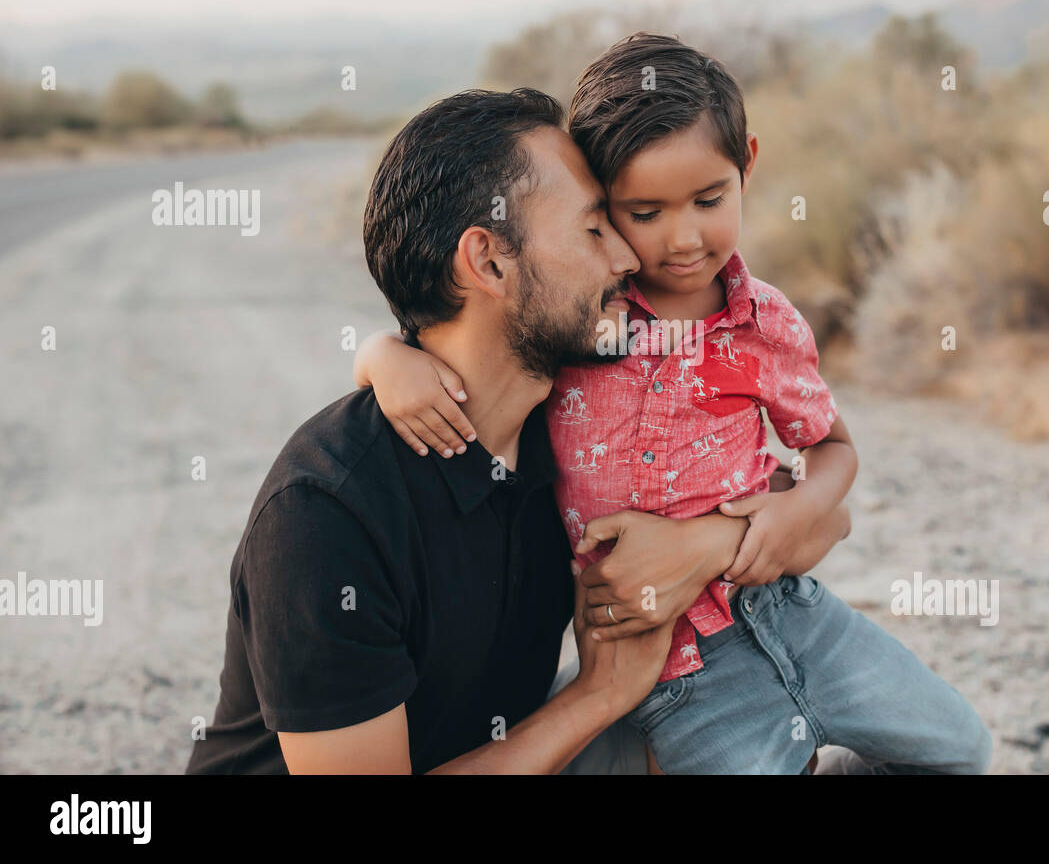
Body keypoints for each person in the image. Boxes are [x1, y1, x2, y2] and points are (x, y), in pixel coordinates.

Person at [355, 35, 994, 774]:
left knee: (960, 750)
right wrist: (381, 355)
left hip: (796, 615)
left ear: (747, 163)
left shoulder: (768, 324)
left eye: (709, 200)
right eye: (644, 211)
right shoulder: (586, 320)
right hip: (671, 664)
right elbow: (475, 345)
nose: (683, 238)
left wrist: (795, 511)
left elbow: (833, 449)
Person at [187, 87, 849, 774]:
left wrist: (704, 542)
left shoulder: (570, 430)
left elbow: (827, 520)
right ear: (490, 262)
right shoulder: (326, 512)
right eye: (595, 229)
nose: (630, 257)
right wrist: (600, 693)